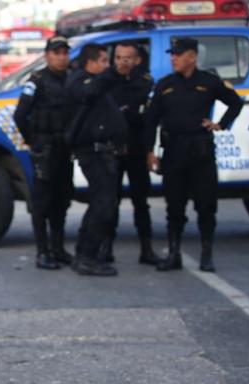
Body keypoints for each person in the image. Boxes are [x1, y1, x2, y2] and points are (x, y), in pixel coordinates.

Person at [145, 37, 243, 272]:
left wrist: (220, 124)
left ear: (192, 57)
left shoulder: (209, 82)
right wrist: (150, 152)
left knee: (206, 206)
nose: (173, 58)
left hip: (201, 153)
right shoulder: (165, 85)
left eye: (178, 54)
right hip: (174, 152)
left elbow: (235, 102)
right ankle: (174, 254)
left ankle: (206, 255)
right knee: (174, 207)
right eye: (172, 54)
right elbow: (151, 121)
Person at [66, 44, 128, 277]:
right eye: (103, 61)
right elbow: (90, 91)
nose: (107, 65)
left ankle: (85, 254)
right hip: (92, 153)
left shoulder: (98, 83)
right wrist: (113, 73)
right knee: (102, 205)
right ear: (91, 62)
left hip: (105, 153)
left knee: (104, 204)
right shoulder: (80, 82)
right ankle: (87, 257)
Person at [13, 36, 74, 270]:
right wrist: (34, 141)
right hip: (44, 150)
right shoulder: (37, 81)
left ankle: (58, 249)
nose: (61, 57)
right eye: (57, 53)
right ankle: (43, 252)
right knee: (42, 203)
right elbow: (20, 115)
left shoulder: (72, 79)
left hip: (64, 150)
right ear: (47, 56)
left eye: (64, 53)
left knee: (62, 200)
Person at [107, 42, 160, 266]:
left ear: (137, 60)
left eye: (127, 58)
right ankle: (106, 248)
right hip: (114, 150)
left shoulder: (145, 82)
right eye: (118, 57)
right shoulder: (107, 80)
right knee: (110, 202)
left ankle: (146, 249)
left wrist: (149, 151)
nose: (122, 62)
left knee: (141, 202)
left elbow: (146, 118)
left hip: (137, 149)